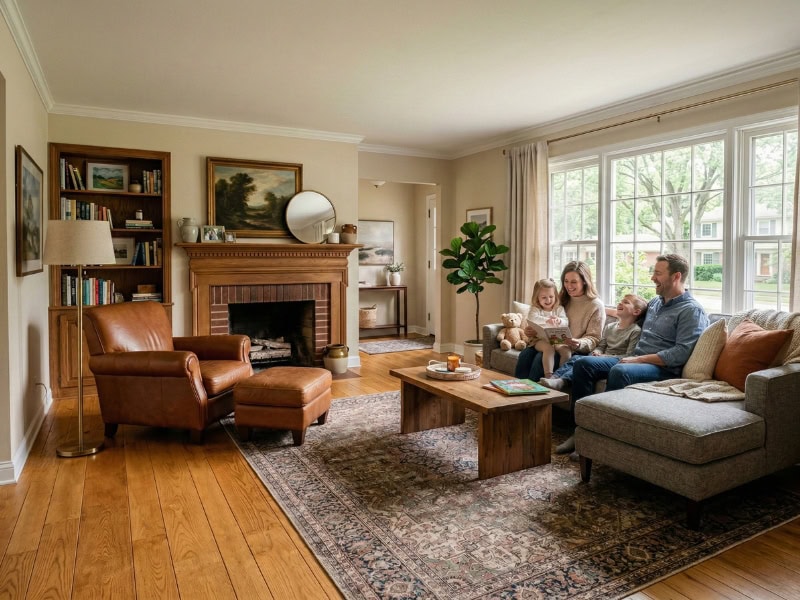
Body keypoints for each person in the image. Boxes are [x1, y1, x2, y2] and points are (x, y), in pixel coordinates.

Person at [557, 253, 709, 457]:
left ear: (676, 276)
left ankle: (600, 438)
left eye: (657, 273)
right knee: (584, 363)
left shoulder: (691, 311)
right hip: (633, 358)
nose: (652, 277)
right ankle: (580, 432)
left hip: (662, 369)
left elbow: (680, 353)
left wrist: (638, 359)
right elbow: (629, 313)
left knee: (621, 370)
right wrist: (603, 311)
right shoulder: (655, 303)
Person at [515, 261, 605, 383]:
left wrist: (578, 343)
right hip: (548, 342)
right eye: (566, 281)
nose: (569, 286)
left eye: (574, 282)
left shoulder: (595, 305)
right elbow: (540, 316)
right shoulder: (561, 298)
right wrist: (530, 331)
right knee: (525, 354)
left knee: (539, 358)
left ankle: (536, 397)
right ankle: (516, 391)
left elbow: (594, 338)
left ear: (585, 281)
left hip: (570, 348)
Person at [539, 293, 647, 390]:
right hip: (601, 357)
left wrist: (605, 357)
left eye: (626, 302)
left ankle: (563, 381)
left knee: (583, 362)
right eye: (621, 300)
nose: (620, 302)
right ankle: (554, 378)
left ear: (636, 311)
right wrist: (598, 351)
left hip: (615, 360)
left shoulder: (635, 331)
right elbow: (601, 346)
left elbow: (629, 355)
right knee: (576, 358)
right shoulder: (610, 327)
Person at [524, 278, 571, 378]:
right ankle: (548, 376)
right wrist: (547, 320)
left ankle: (560, 376)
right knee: (548, 349)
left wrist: (559, 320)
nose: (548, 300)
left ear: (555, 296)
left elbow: (566, 322)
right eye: (544, 297)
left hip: (556, 339)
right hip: (539, 340)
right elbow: (532, 318)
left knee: (566, 351)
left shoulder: (559, 309)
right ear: (537, 298)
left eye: (551, 296)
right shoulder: (535, 309)